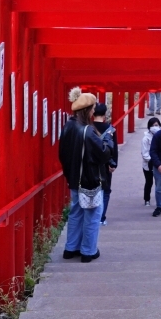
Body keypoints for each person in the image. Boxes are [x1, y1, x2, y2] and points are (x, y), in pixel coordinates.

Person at [58, 87, 109, 262]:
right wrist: (107, 141)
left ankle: (71, 248)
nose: (95, 112)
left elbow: (62, 153)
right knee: (93, 214)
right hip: (90, 180)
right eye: (93, 108)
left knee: (76, 212)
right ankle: (88, 251)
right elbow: (103, 153)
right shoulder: (88, 131)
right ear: (87, 110)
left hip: (74, 178)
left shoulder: (69, 126)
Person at [91, 102, 118, 225]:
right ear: (105, 113)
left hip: (91, 164)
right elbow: (114, 149)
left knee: (93, 189)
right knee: (106, 190)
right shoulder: (110, 129)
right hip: (106, 164)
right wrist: (113, 164)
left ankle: (93, 215)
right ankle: (101, 217)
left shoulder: (88, 128)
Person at [140, 117, 161, 206]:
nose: (155, 127)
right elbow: (144, 154)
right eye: (152, 125)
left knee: (159, 183)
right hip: (148, 164)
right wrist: (153, 160)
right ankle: (147, 199)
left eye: (156, 125)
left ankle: (160, 202)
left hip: (159, 164)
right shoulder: (145, 139)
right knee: (149, 182)